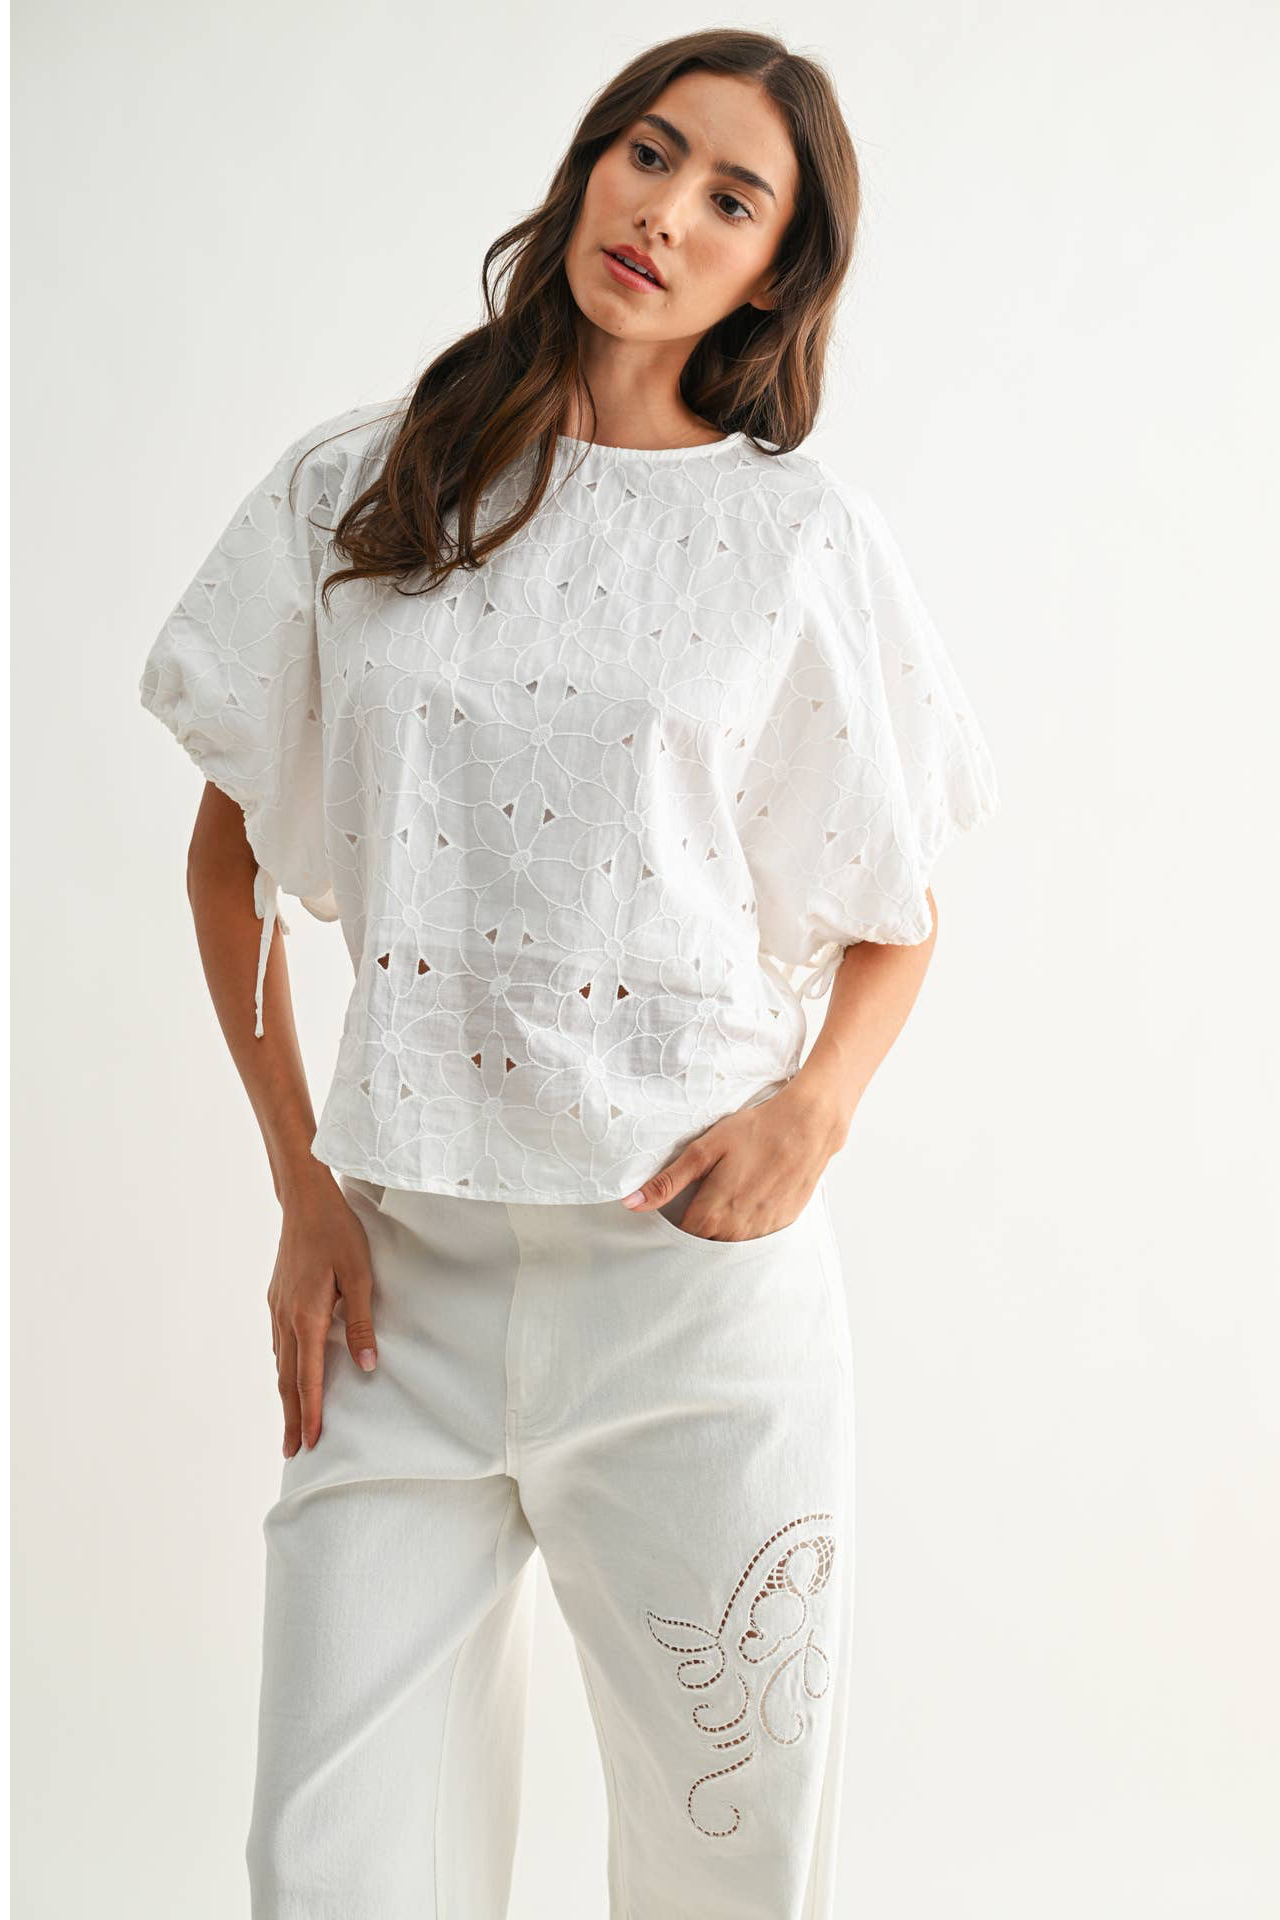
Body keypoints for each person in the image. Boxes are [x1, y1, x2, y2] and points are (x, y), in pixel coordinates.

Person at [138, 27, 999, 1920]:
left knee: (726, 1863)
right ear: (591, 163)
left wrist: (818, 1112)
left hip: (692, 1295)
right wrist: (299, 1186)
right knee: (332, 1867)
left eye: (731, 198)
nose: (665, 210)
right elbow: (228, 862)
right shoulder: (364, 482)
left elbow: (899, 898)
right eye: (648, 152)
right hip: (401, 1286)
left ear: (771, 271)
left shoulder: (798, 542)